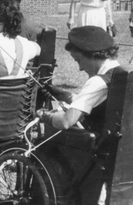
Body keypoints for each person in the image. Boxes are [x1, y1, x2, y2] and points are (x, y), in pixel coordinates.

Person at [36, 26, 119, 205]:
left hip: (93, 154)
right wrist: (64, 94)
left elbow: (67, 121)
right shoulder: (121, 73)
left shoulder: (97, 82)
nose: (80, 68)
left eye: (78, 60)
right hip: (118, 150)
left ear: (92, 54)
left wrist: (44, 116)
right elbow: (99, 102)